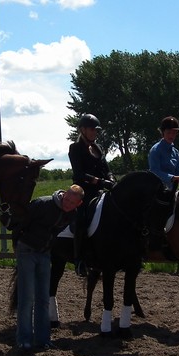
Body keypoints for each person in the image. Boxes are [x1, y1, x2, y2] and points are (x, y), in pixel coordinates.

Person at [7, 185, 84, 352]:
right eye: (67, 200)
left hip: (44, 254)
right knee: (27, 297)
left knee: (43, 298)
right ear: (64, 194)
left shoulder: (72, 214)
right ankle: (24, 340)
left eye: (72, 203)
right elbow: (21, 223)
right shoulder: (42, 204)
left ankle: (43, 339)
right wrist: (17, 245)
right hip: (27, 250)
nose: (68, 204)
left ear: (78, 204)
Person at [68, 113, 114, 276]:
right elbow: (79, 174)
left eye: (96, 130)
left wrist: (111, 178)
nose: (95, 132)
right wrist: (100, 181)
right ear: (83, 130)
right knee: (81, 218)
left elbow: (106, 169)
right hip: (83, 191)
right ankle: (79, 260)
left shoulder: (98, 148)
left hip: (100, 190)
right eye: (92, 129)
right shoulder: (75, 148)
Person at [148, 116, 179, 191]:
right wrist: (172, 178)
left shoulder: (175, 152)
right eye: (169, 132)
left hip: (171, 191)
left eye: (174, 133)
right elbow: (155, 172)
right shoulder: (155, 150)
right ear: (163, 132)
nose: (171, 135)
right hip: (156, 191)